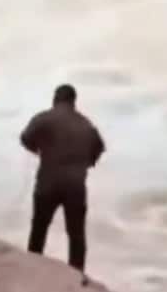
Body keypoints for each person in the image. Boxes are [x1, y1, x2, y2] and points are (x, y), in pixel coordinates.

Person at [20, 84, 105, 274]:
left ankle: (31, 270)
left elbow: (25, 138)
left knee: (39, 228)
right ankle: (77, 274)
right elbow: (99, 147)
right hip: (75, 185)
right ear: (74, 101)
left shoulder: (44, 118)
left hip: (47, 182)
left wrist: (39, 150)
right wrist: (87, 162)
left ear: (55, 99)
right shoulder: (86, 124)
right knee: (76, 234)